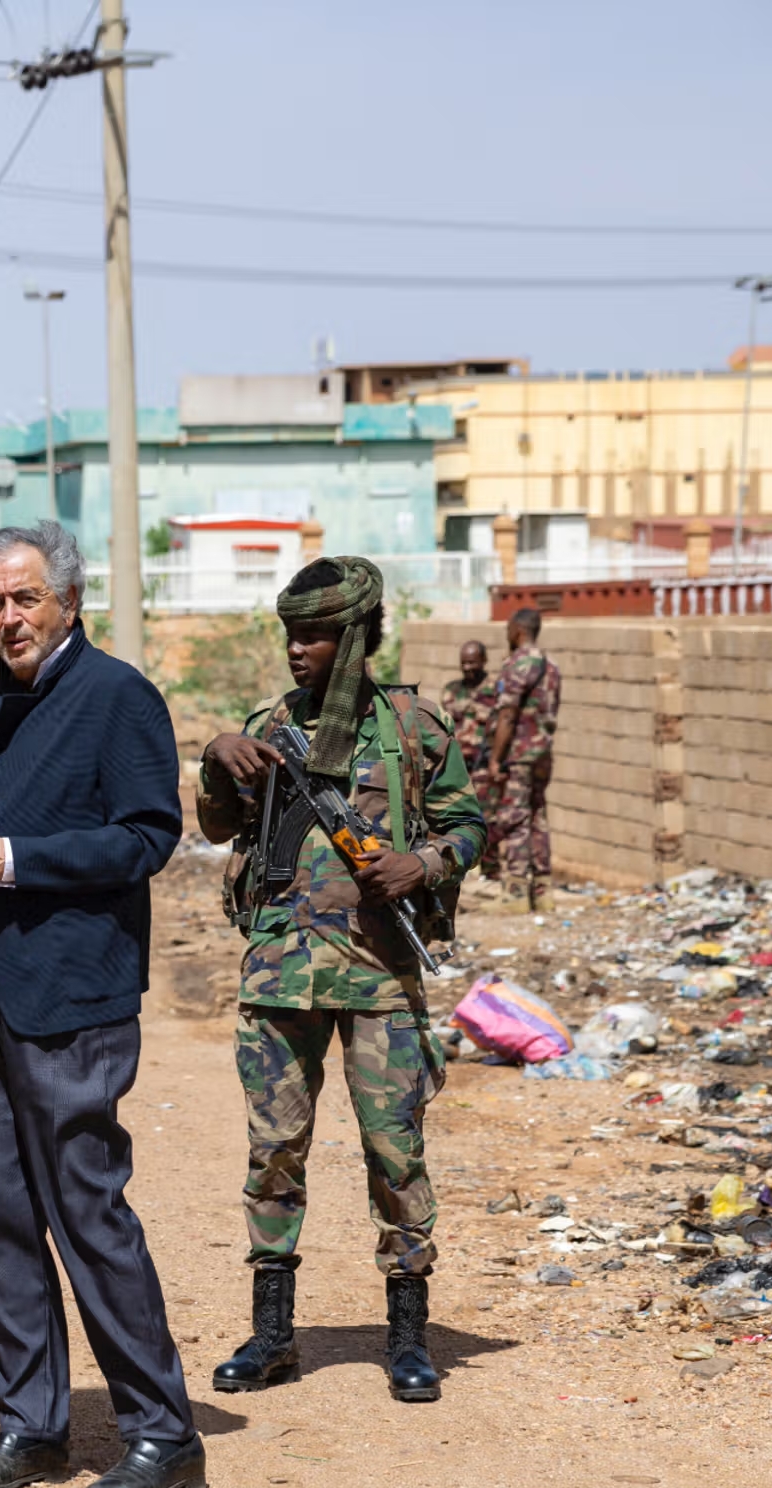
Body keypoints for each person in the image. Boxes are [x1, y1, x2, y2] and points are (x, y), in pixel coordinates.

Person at [0, 521, 204, 1488]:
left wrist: (11, 860)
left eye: (25, 598)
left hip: (71, 999)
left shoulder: (118, 695)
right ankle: (32, 1427)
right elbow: (28, 825)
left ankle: (163, 1434)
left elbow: (146, 836)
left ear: (70, 600)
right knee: (2, 1217)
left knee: (86, 1211)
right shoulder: (1, 700)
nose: (9, 618)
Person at [194, 556, 486, 1405]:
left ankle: (407, 1336)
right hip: (279, 975)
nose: (297, 650)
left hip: (379, 977)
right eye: (291, 634)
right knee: (274, 1153)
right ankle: (273, 1336)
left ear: (357, 638)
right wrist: (215, 759)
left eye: (315, 636)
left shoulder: (412, 726)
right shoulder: (268, 725)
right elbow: (217, 826)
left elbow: (469, 824)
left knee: (395, 1152)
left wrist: (421, 863)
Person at [477, 608, 561, 913]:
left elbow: (508, 716)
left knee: (514, 820)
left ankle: (515, 894)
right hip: (542, 754)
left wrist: (495, 759)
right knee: (538, 817)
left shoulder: (518, 664)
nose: (507, 634)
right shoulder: (551, 666)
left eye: (509, 628)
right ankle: (543, 891)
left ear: (519, 630)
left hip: (519, 755)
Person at [440, 640, 495, 776]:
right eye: (463, 663)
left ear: (484, 660)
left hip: (483, 768)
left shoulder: (496, 691)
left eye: (471, 662)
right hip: (455, 766)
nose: (466, 667)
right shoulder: (450, 691)